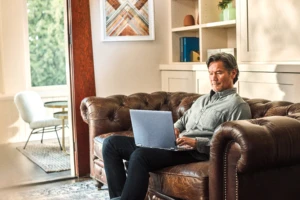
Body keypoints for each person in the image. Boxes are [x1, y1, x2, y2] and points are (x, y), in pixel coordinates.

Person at [102, 52, 252, 200]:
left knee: (140, 156)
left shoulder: (237, 105)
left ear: (233, 73)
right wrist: (175, 128)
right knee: (111, 144)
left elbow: (233, 145)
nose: (213, 78)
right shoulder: (203, 100)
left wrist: (196, 143)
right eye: (211, 73)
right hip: (177, 144)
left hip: (195, 152)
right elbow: (184, 119)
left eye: (218, 73)